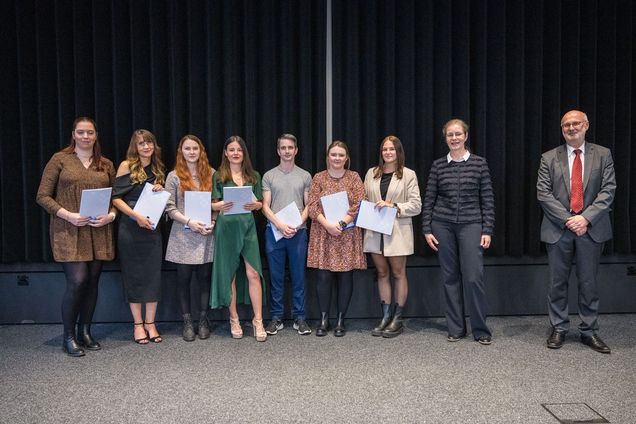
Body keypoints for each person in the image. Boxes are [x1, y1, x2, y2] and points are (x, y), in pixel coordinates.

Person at [537, 110, 616, 354]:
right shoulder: (549, 157)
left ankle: (589, 331)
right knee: (557, 283)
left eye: (575, 124)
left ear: (586, 126)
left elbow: (608, 190)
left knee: (589, 283)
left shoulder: (603, 154)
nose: (571, 128)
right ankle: (559, 328)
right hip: (559, 229)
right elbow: (543, 193)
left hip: (590, 229)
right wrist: (569, 220)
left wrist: (585, 218)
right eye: (566, 125)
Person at [36, 117, 117, 357]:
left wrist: (110, 216)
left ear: (95, 135)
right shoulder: (60, 160)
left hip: (98, 229)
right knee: (78, 281)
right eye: (80, 132)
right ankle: (68, 336)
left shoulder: (106, 164)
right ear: (73, 134)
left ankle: (85, 332)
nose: (85, 136)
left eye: (89, 132)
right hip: (69, 229)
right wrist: (68, 215)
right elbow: (42, 196)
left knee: (92, 282)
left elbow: (115, 198)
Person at [422, 119, 495, 345]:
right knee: (450, 277)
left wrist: (487, 229)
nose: (454, 138)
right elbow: (429, 199)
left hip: (471, 224)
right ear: (445, 139)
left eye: (458, 134)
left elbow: (488, 199)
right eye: (450, 135)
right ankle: (456, 328)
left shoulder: (479, 164)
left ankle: (480, 330)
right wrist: (426, 228)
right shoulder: (438, 166)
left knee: (473, 277)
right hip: (441, 225)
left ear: (465, 136)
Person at [210, 136, 267, 342]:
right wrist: (220, 205)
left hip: (248, 227)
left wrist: (257, 206)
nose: (235, 153)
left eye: (239, 150)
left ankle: (257, 319)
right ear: (225, 153)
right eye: (231, 149)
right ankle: (234, 318)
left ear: (244, 153)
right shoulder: (218, 175)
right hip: (226, 228)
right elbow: (212, 204)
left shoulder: (254, 175)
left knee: (253, 273)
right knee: (231, 274)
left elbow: (260, 203)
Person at [363, 136, 421, 338]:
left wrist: (394, 206)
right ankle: (385, 316)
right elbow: (364, 199)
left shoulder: (408, 174)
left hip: (397, 232)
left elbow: (416, 205)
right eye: (384, 149)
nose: (388, 152)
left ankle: (398, 318)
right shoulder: (372, 173)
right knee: (381, 273)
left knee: (398, 273)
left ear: (398, 152)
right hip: (374, 231)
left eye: (392, 149)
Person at [112, 129, 166, 345]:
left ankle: (151, 323)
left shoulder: (158, 167)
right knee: (134, 276)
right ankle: (137, 325)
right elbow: (116, 198)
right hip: (131, 226)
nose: (146, 147)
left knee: (153, 276)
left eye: (149, 143)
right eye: (142, 143)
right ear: (135, 147)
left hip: (152, 227)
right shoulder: (126, 165)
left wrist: (158, 190)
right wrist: (136, 217)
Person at [307, 141, 366, 337]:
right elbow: (312, 206)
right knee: (323, 277)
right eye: (334, 155)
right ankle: (324, 319)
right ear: (328, 157)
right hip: (324, 233)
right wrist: (328, 225)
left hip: (346, 234)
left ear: (346, 158)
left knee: (345, 276)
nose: (337, 158)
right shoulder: (319, 178)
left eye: (341, 155)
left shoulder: (354, 177)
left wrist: (340, 224)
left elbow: (359, 204)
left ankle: (341, 319)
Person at [165, 135, 216, 342]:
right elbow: (169, 208)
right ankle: (187, 321)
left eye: (195, 148)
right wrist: (189, 222)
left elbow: (216, 202)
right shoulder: (173, 176)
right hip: (182, 235)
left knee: (205, 279)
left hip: (205, 234)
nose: (192, 152)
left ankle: (203, 319)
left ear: (201, 151)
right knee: (183, 280)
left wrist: (213, 221)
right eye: (188, 148)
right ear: (181, 151)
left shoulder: (211, 174)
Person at [262, 134, 313, 336]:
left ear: (296, 150)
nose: (287, 151)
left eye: (290, 147)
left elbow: (309, 205)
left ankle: (300, 317)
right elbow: (265, 205)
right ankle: (276, 317)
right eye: (283, 147)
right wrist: (280, 225)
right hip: (275, 232)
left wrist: (297, 223)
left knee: (299, 276)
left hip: (298, 233)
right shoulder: (269, 176)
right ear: (278, 151)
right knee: (276, 277)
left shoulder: (305, 176)